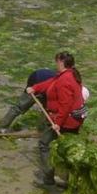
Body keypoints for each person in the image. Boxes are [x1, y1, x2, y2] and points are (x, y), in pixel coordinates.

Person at [26, 51, 87, 186]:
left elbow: (65, 105)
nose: (55, 64)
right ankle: (70, 178)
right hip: (76, 118)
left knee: (44, 144)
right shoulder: (69, 74)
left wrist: (57, 123)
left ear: (61, 62)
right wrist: (35, 88)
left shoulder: (65, 80)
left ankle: (48, 178)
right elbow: (50, 83)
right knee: (65, 148)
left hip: (68, 120)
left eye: (56, 61)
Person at [0, 69, 56, 133]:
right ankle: (2, 128)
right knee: (20, 106)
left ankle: (41, 129)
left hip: (47, 82)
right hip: (37, 78)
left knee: (47, 109)